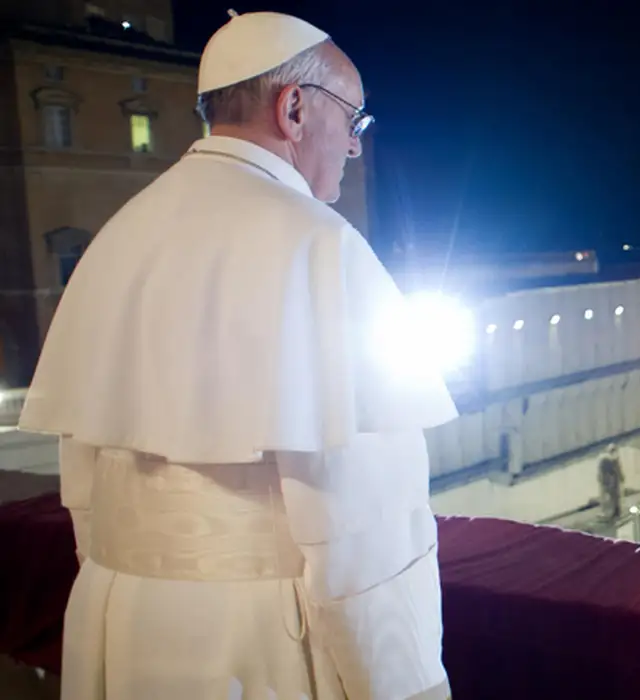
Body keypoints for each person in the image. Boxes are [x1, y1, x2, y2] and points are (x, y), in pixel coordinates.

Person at [20, 11, 457, 700]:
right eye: (353, 119)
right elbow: (366, 532)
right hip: (263, 645)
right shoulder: (323, 246)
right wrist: (407, 684)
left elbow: (85, 489)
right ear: (294, 108)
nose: (353, 146)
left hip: (122, 624)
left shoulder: (118, 233)